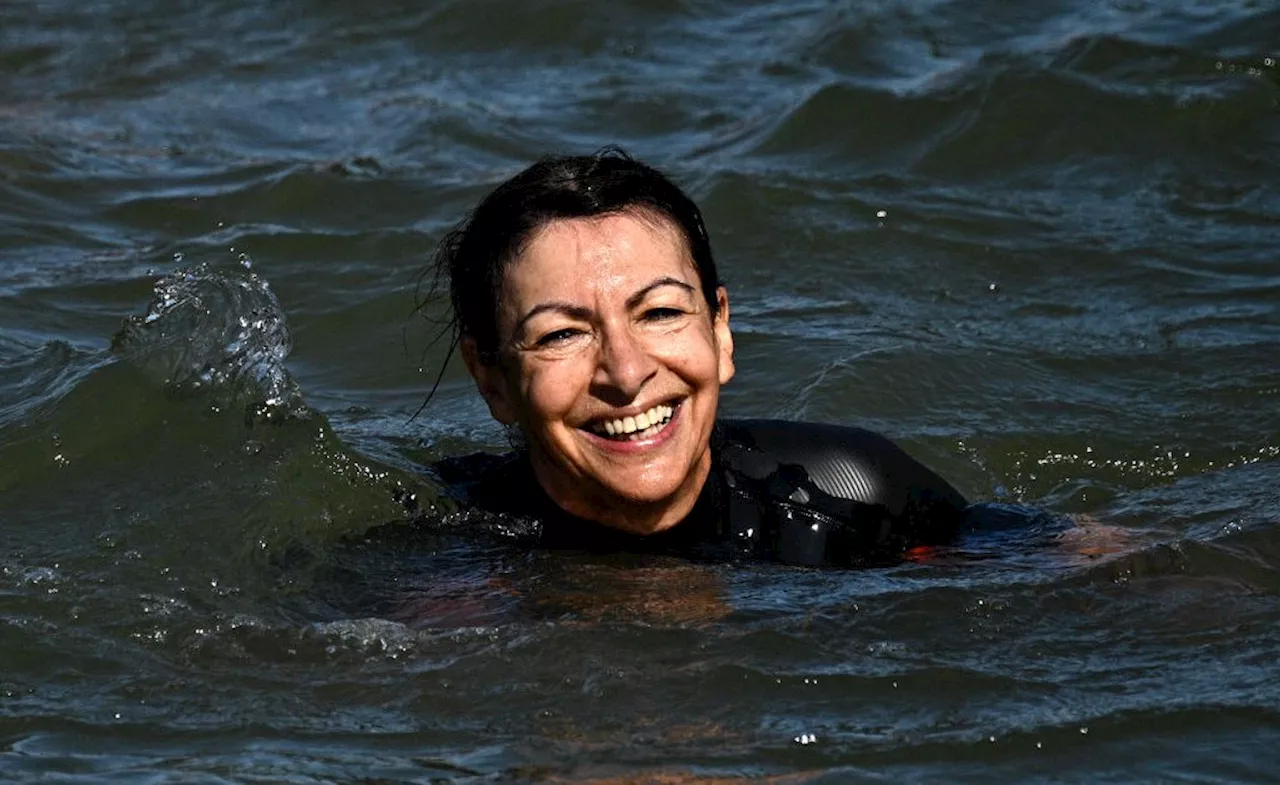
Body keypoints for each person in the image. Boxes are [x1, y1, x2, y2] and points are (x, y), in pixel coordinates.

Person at [423, 147, 970, 568]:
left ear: (720, 330)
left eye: (660, 313)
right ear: (491, 379)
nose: (628, 372)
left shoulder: (854, 499)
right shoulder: (446, 558)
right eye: (562, 334)